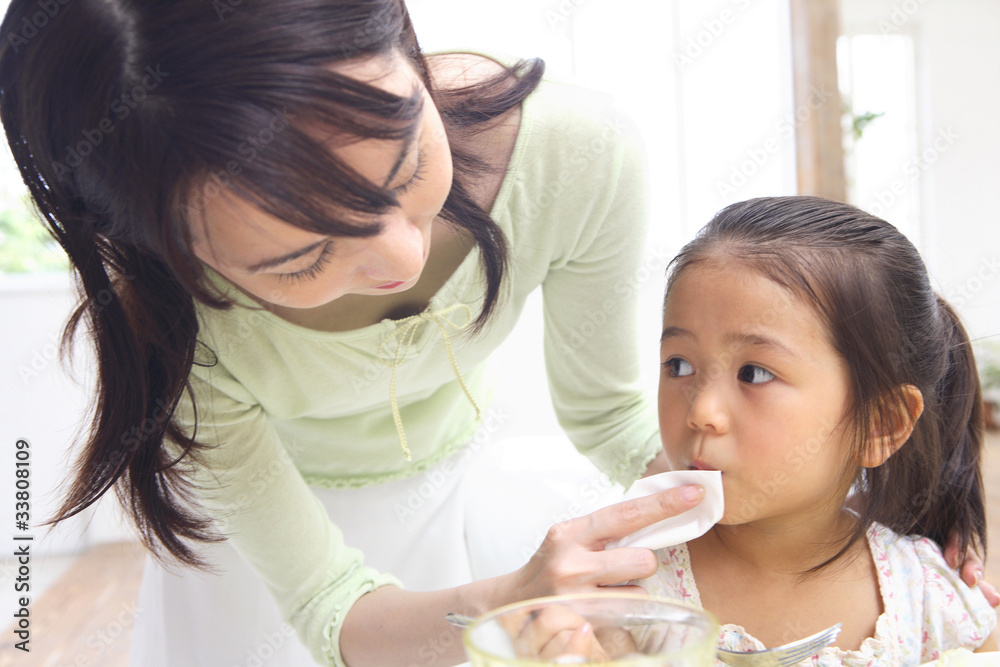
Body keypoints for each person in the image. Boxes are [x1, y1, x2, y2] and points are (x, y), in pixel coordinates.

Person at [0, 1, 701, 666]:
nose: (404, 258)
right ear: (170, 254)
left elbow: (609, 417)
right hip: (248, 557)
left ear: (404, 37)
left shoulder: (576, 153)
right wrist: (506, 604)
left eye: (408, 164)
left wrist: (733, 493)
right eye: (301, 258)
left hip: (446, 499)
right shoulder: (173, 334)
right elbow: (328, 601)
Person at [523, 196, 999, 664]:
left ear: (881, 424)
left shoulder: (932, 601)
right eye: (680, 364)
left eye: (754, 373)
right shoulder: (621, 588)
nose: (702, 412)